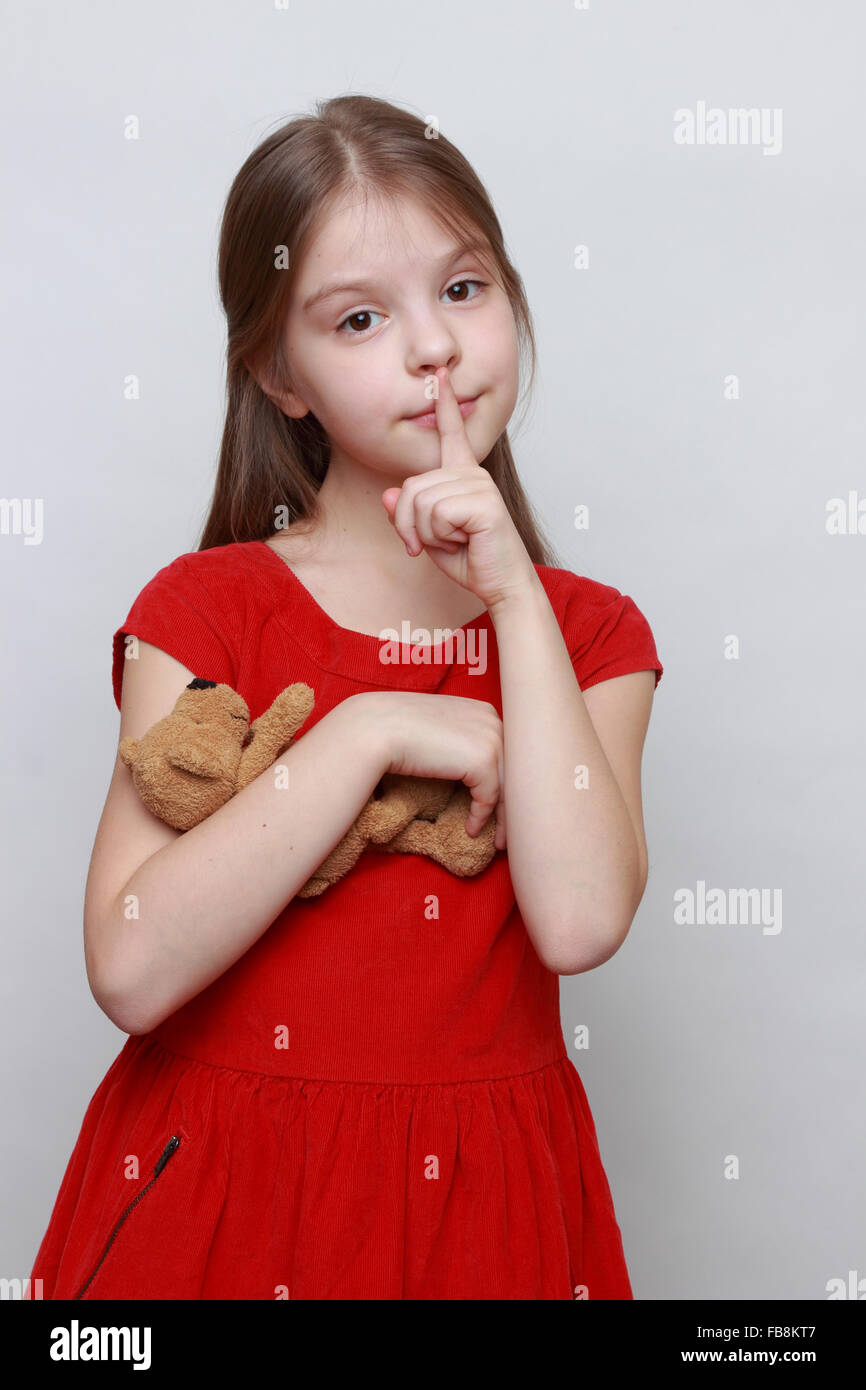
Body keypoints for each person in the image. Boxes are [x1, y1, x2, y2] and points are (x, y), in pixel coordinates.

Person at [29, 93, 663, 1301]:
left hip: (482, 1207)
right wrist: (373, 728)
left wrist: (513, 596)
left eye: (463, 291)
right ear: (279, 371)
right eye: (361, 318)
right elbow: (130, 969)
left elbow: (579, 921)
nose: (431, 348)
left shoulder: (590, 634)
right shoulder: (204, 609)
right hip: (223, 1190)